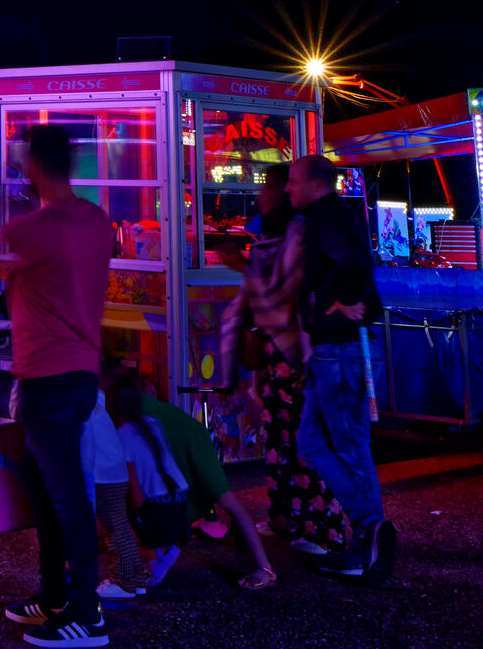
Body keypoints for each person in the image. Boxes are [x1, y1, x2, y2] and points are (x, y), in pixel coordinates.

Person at [0, 125, 113, 648]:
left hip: (45, 375)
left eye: (20, 157)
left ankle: (87, 614)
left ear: (32, 165)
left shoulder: (28, 231)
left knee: (64, 498)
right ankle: (56, 595)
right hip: (81, 371)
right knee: (48, 493)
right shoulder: (96, 220)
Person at [220, 166, 346, 555]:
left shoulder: (297, 233)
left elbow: (279, 294)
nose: (265, 194)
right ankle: (286, 518)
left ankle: (323, 530)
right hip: (279, 356)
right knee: (280, 439)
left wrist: (243, 268)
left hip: (297, 355)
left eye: (275, 186)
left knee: (304, 441)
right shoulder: (275, 235)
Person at [289, 154, 395, 582]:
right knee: (310, 444)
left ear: (316, 183)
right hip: (328, 349)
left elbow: (353, 262)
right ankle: (371, 529)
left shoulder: (327, 219)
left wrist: (344, 301)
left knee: (349, 445)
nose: (288, 188)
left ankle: (371, 536)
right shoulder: (331, 216)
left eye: (294, 181)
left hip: (338, 350)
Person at [129, 377, 277, 589]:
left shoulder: (131, 415)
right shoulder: (173, 419)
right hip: (183, 496)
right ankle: (263, 565)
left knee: (227, 501)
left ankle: (264, 566)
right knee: (227, 501)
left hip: (166, 501)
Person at [104, 370, 190, 580]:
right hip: (181, 511)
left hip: (160, 517)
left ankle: (150, 559)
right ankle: (162, 550)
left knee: (109, 513)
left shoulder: (122, 435)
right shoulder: (152, 423)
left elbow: (136, 499)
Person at [82, 386, 146, 601]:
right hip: (114, 471)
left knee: (114, 528)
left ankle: (124, 582)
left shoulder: (82, 400)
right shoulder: (96, 396)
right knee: (119, 524)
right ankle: (136, 579)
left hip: (103, 472)